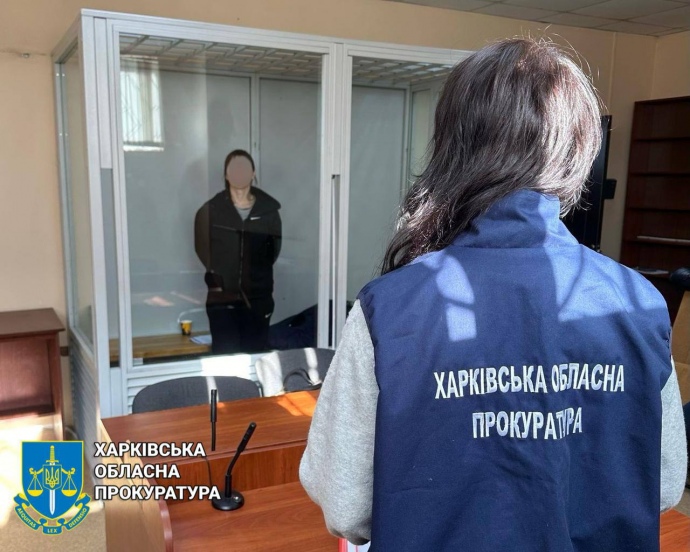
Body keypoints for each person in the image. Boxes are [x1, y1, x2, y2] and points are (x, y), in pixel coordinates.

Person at [299, 38, 687, 551]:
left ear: (453, 145)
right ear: (577, 150)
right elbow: (663, 485)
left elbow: (346, 503)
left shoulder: (388, 309)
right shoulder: (640, 305)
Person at [194, 150, 281, 354]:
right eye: (234, 168)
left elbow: (273, 252)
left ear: (253, 173)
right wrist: (223, 277)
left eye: (245, 168)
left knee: (255, 358)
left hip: (258, 301)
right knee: (225, 360)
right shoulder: (210, 211)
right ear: (226, 174)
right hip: (222, 301)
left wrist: (256, 277)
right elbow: (203, 250)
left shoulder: (268, 212)